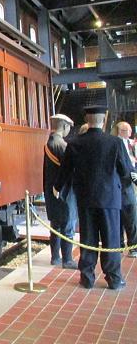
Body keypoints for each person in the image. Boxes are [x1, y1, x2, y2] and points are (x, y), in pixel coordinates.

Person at [56, 105, 133, 290]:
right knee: (111, 239)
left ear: (86, 120)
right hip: (110, 199)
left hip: (85, 198)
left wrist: (57, 187)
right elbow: (126, 171)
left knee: (88, 238)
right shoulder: (115, 143)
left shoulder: (75, 143)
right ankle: (114, 279)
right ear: (104, 120)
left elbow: (65, 171)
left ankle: (87, 277)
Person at [43, 114, 77, 268]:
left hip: (51, 191)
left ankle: (55, 257)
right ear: (64, 126)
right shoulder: (62, 145)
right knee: (68, 225)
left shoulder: (49, 143)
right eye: (68, 127)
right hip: (65, 191)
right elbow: (70, 169)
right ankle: (67, 259)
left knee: (55, 225)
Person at [111, 121, 137, 258]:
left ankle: (133, 246)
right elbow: (123, 164)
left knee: (131, 216)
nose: (130, 133)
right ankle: (120, 246)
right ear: (120, 131)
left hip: (130, 182)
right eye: (128, 130)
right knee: (122, 217)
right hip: (121, 182)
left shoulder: (131, 144)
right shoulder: (116, 143)